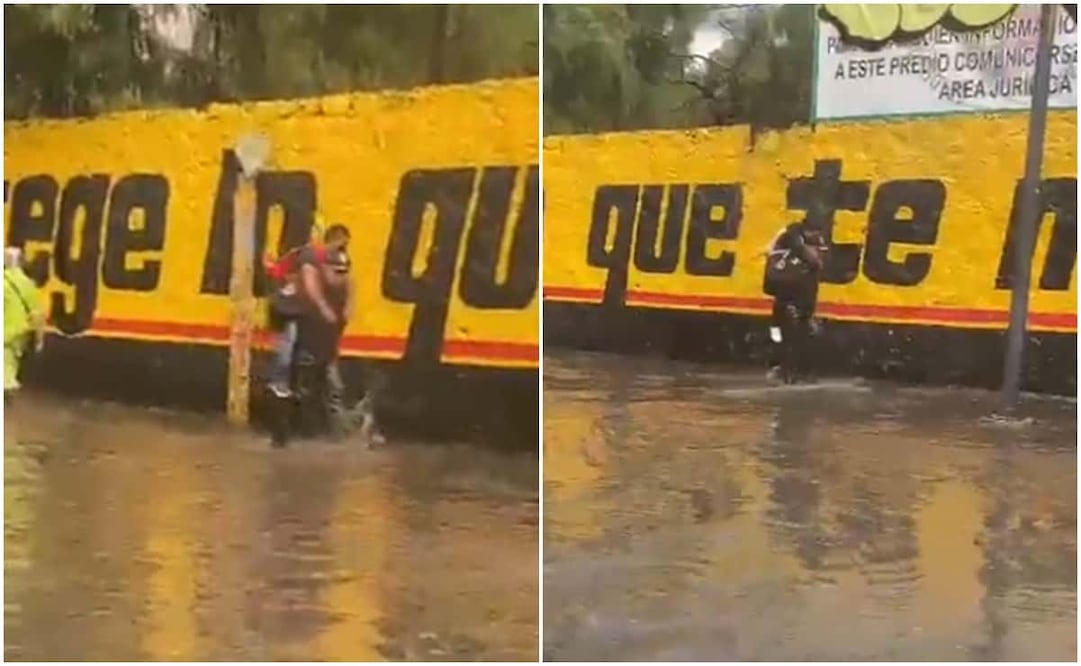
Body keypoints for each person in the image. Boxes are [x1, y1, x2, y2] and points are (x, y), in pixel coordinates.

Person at [762, 221, 828, 384]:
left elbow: (769, 286)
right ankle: (786, 370)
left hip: (786, 304)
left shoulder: (789, 245)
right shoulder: (803, 255)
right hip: (791, 304)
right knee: (788, 335)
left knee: (782, 334)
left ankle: (783, 369)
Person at [4, 248, 45, 399]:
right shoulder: (27, 284)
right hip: (19, 334)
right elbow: (36, 315)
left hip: (5, 335)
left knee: (6, 374)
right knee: (10, 368)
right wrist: (39, 339)